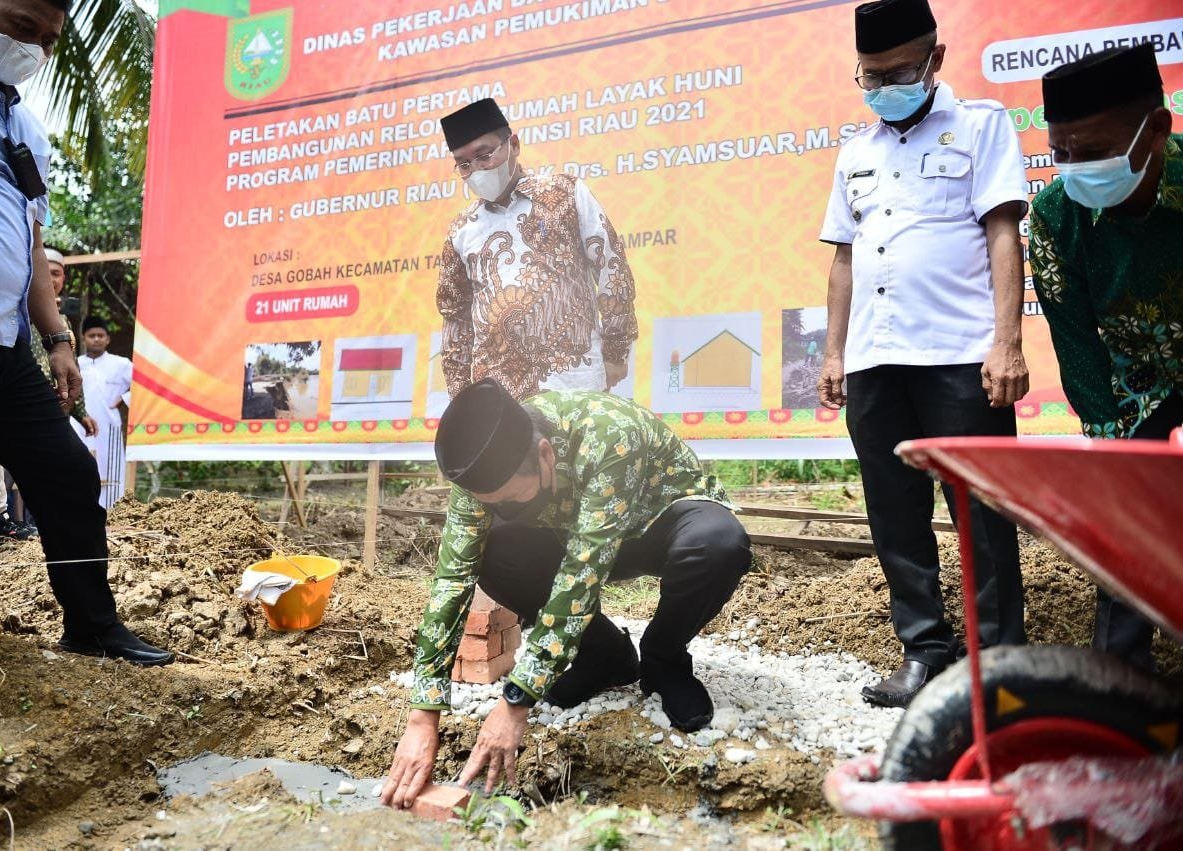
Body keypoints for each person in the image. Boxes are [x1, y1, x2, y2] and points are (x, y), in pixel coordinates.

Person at [0, 0, 172, 746]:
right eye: (21, 27)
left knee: (64, 472)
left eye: (48, 38)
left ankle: (92, 623)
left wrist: (56, 338)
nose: (34, 47)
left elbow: (30, 244)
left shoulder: (25, 127)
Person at [382, 379, 751, 809]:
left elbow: (581, 574)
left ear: (544, 455)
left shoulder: (607, 435)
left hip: (657, 522)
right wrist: (422, 714)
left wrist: (516, 700)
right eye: (492, 503)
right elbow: (451, 579)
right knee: (494, 551)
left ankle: (663, 659)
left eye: (510, 500)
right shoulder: (480, 472)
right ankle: (605, 658)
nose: (501, 510)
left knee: (718, 544)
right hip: (573, 531)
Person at [817, 0, 1029, 707]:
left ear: (936, 59)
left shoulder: (982, 126)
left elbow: (1003, 232)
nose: (883, 87)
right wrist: (834, 352)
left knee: (981, 514)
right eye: (869, 77)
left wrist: (1007, 341)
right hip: (876, 361)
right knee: (894, 513)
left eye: (898, 71)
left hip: (960, 356)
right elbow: (843, 261)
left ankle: (992, 665)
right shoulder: (857, 151)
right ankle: (925, 651)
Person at [1030, 43, 1179, 673]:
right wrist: (1108, 448)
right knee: (1127, 532)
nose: (1075, 168)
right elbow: (1078, 347)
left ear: (1158, 129)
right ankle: (1120, 689)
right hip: (1136, 392)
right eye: (1061, 152)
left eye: (1092, 150)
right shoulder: (1053, 219)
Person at [436, 98, 638, 400]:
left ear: (513, 145)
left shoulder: (566, 193)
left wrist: (616, 351)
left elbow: (611, 268)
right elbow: (456, 317)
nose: (476, 170)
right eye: (464, 164)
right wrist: (460, 394)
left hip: (575, 381)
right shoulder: (462, 230)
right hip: (497, 396)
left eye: (484, 155)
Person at [0, 246, 97, 545]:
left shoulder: (62, 323)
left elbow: (69, 365)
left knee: (55, 473)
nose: (51, 277)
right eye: (44, 271)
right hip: (0, 389)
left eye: (56, 273)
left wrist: (79, 410)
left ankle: (20, 529)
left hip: (41, 404)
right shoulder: (5, 305)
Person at [78, 316, 132, 508]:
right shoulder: (76, 364)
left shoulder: (121, 364)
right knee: (79, 471)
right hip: (79, 428)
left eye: (101, 335)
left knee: (111, 471)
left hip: (110, 428)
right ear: (83, 338)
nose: (97, 339)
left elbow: (144, 386)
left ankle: (113, 516)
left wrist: (123, 399)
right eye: (92, 335)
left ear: (108, 339)